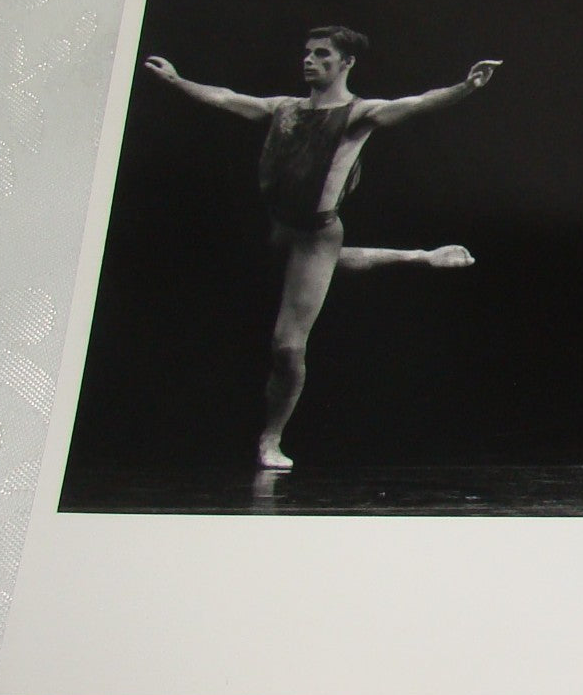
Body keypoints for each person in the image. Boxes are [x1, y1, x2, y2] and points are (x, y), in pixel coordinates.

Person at [144, 26, 500, 469]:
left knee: (287, 347)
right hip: (276, 231)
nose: (309, 61)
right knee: (304, 278)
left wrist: (465, 87)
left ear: (346, 63)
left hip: (316, 235)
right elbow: (226, 97)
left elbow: (414, 105)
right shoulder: (284, 108)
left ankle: (270, 440)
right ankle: (419, 256)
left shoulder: (357, 114)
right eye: (308, 53)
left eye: (322, 55)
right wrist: (178, 82)